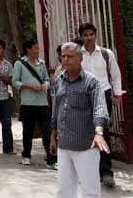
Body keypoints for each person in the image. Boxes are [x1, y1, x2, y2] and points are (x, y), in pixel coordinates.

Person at [51, 41, 109, 198]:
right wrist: (53, 135)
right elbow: (56, 110)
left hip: (86, 146)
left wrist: (99, 133)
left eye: (70, 56)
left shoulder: (91, 81)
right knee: (64, 190)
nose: (65, 59)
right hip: (64, 145)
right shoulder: (59, 80)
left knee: (90, 191)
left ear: (80, 58)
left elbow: (99, 108)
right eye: (63, 56)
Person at [78, 23, 125, 187]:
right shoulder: (77, 55)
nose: (89, 38)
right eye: (85, 35)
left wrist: (117, 94)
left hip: (103, 96)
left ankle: (106, 172)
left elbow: (115, 74)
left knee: (102, 132)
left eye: (91, 34)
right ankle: (89, 171)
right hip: (83, 97)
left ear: (95, 35)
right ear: (81, 37)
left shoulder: (106, 54)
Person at [13, 38, 55, 168]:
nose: (38, 51)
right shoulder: (19, 64)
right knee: (28, 131)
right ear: (28, 49)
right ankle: (26, 155)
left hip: (42, 103)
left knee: (47, 131)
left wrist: (45, 85)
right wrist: (28, 86)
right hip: (27, 103)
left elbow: (46, 80)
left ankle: (51, 159)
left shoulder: (41, 64)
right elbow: (15, 82)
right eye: (35, 48)